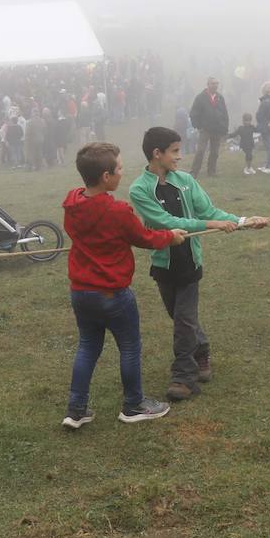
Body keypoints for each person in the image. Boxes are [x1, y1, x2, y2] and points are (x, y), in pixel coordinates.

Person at [129, 127, 269, 401]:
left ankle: (184, 377)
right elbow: (166, 223)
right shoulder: (139, 189)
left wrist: (244, 222)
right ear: (157, 154)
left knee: (183, 320)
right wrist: (209, 224)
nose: (180, 157)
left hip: (190, 263)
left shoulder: (186, 181)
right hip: (163, 265)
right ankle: (202, 352)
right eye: (175, 151)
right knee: (183, 319)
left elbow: (210, 211)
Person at [62, 142, 187, 428]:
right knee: (129, 347)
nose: (122, 172)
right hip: (112, 294)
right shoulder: (118, 211)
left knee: (87, 346)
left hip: (81, 293)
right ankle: (133, 405)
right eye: (118, 168)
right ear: (106, 177)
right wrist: (170, 236)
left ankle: (76, 409)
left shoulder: (72, 202)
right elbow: (143, 237)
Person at [187, 77, 230, 179]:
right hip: (205, 129)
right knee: (200, 151)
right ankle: (194, 172)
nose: (215, 85)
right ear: (208, 85)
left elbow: (225, 114)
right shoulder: (200, 97)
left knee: (215, 152)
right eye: (213, 83)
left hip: (217, 129)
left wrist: (225, 128)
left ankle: (211, 171)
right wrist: (198, 126)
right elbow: (193, 113)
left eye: (216, 83)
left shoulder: (220, 98)